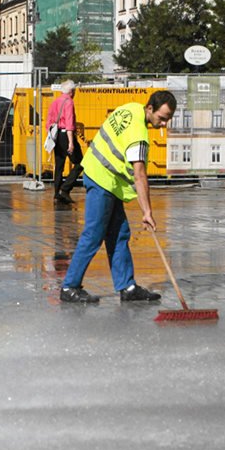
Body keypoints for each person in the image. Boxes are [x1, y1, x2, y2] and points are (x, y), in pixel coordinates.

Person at [59, 91, 176, 304]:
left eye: (167, 119)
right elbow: (140, 175)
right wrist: (147, 212)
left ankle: (127, 286)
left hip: (103, 176)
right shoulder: (139, 135)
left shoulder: (130, 107)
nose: (163, 124)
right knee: (93, 234)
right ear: (150, 108)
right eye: (162, 118)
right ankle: (69, 286)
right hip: (102, 179)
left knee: (119, 233)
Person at [46, 81, 83, 204]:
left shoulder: (55, 101)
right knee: (80, 162)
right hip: (66, 135)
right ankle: (65, 189)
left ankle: (56, 194)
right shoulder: (69, 102)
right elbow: (69, 124)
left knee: (59, 164)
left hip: (56, 135)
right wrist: (71, 142)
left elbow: (49, 121)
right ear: (71, 92)